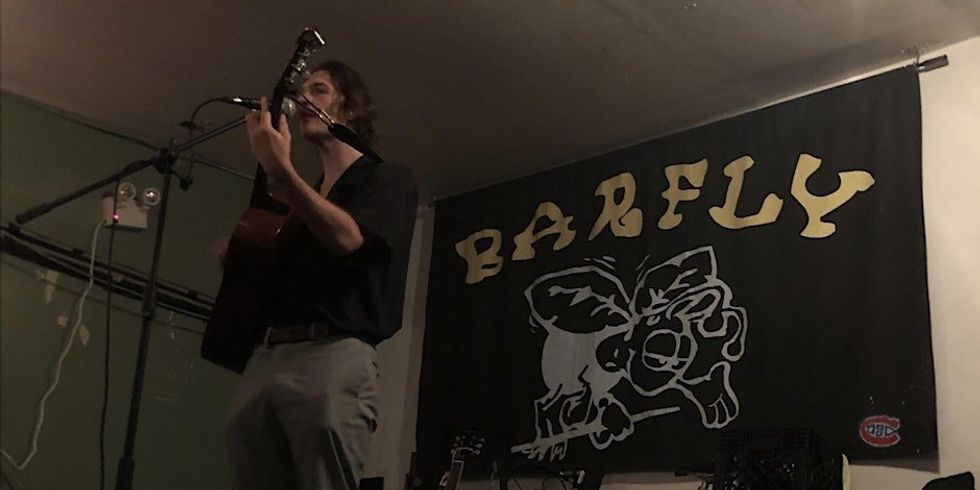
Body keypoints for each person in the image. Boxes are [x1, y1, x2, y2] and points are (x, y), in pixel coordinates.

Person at [226, 60, 418, 490]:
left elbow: (349, 238)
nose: (302, 100)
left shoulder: (388, 178)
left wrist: (282, 172)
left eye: (319, 90)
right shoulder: (303, 198)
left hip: (332, 355)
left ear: (349, 108)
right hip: (267, 354)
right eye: (302, 92)